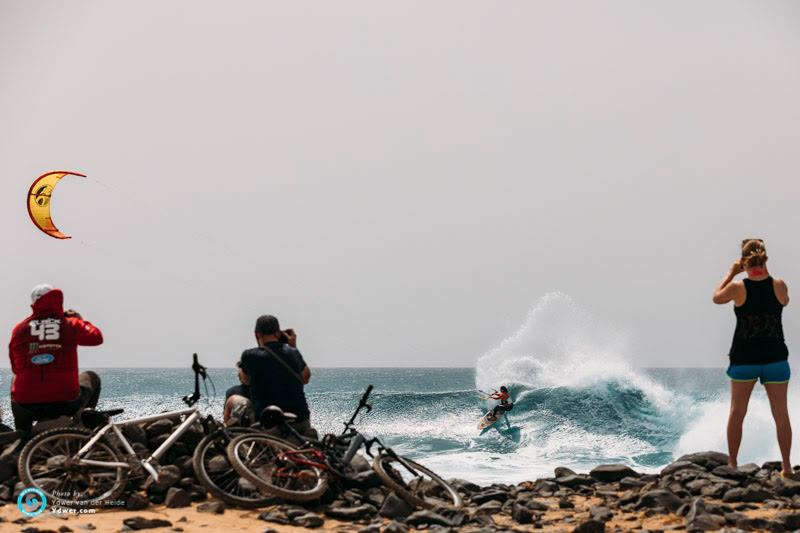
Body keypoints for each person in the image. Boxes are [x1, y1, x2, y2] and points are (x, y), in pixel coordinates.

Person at [713, 239, 792, 476]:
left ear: (743, 261)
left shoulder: (738, 287)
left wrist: (730, 273)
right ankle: (787, 467)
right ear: (766, 259)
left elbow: (716, 297)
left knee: (737, 412)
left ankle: (733, 464)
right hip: (776, 359)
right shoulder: (779, 285)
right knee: (781, 414)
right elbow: (784, 301)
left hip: (744, 360)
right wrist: (763, 270)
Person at [8, 284, 103, 434]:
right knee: (92, 377)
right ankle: (81, 425)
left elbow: (15, 367)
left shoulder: (19, 329)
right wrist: (78, 319)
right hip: (66, 403)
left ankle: (22, 434)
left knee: (15, 379)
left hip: (28, 406)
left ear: (33, 305)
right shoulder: (70, 324)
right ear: (58, 300)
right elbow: (96, 337)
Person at [224, 314, 316, 440]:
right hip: (301, 421)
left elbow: (245, 380)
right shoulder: (293, 352)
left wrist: (240, 368)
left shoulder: (249, 356)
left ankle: (228, 441)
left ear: (257, 334)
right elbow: (305, 378)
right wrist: (293, 346)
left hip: (268, 424)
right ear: (278, 334)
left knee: (232, 399)